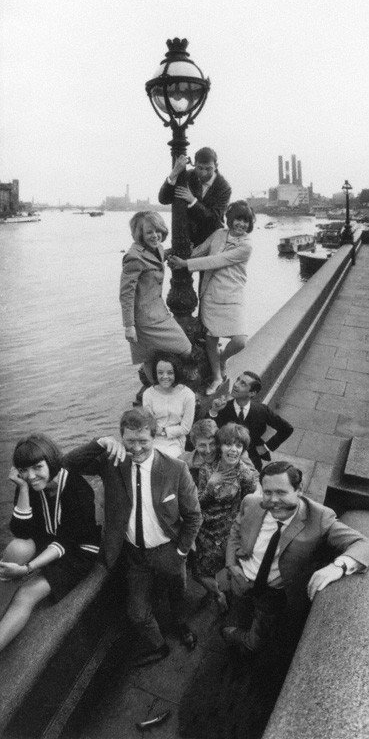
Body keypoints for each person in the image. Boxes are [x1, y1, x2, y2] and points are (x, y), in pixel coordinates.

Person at [63, 408, 203, 667]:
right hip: (133, 555)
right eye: (130, 441)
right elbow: (67, 464)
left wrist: (181, 552)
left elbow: (194, 516)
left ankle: (181, 626)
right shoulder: (112, 462)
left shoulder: (176, 469)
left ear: (154, 437)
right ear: (121, 438)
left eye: (143, 441)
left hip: (168, 550)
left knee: (177, 595)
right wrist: (99, 443)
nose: (136, 448)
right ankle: (159, 646)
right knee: (137, 613)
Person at [220, 460, 369, 655]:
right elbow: (235, 530)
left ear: (299, 490)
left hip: (273, 594)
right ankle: (237, 631)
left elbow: (365, 545)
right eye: (268, 492)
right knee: (241, 611)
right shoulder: (251, 502)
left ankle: (237, 638)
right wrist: (231, 565)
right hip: (240, 580)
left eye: (281, 492)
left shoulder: (319, 519)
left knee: (257, 640)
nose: (273, 500)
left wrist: (337, 567)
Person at [0, 433, 103, 652]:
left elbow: (66, 542)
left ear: (51, 462)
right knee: (18, 547)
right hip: (48, 540)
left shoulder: (76, 488)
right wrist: (23, 489)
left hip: (77, 551)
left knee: (26, 593)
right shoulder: (28, 483)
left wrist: (28, 569)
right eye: (24, 470)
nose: (31, 476)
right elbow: (20, 530)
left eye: (37, 467)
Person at [169, 200, 254, 395]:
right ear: (230, 219)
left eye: (246, 221)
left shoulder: (246, 246)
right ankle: (216, 377)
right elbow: (199, 251)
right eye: (238, 219)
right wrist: (174, 254)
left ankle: (221, 359)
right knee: (211, 337)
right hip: (210, 294)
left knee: (240, 340)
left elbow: (216, 260)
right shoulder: (219, 234)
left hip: (232, 295)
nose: (241, 224)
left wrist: (185, 264)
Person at [119, 210, 191, 384]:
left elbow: (156, 259)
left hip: (159, 313)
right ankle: (158, 392)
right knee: (182, 348)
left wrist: (177, 250)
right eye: (149, 232)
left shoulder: (156, 249)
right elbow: (126, 294)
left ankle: (164, 391)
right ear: (140, 234)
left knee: (151, 356)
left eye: (158, 230)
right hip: (145, 319)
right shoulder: (133, 257)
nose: (155, 235)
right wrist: (129, 326)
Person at [194, 423, 257, 612]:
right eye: (228, 444)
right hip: (206, 530)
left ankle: (219, 595)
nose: (233, 449)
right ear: (220, 447)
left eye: (238, 445)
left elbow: (249, 505)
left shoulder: (245, 474)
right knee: (201, 572)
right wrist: (210, 487)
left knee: (202, 572)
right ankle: (218, 592)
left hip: (226, 534)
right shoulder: (207, 468)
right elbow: (199, 504)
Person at [209, 370, 293, 471]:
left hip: (251, 461)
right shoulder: (223, 407)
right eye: (238, 380)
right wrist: (214, 411)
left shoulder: (261, 410)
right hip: (224, 461)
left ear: (252, 393)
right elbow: (208, 431)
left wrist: (266, 447)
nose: (236, 385)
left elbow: (286, 429)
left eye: (243, 384)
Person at [158, 147, 231, 247]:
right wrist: (174, 173)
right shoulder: (187, 176)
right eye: (200, 168)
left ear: (216, 166)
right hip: (187, 241)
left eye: (208, 169)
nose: (203, 173)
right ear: (194, 164)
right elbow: (163, 199)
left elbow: (214, 218)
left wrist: (192, 201)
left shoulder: (224, 187)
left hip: (213, 241)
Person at [142, 352, 195, 458]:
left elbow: (185, 428)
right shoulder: (148, 394)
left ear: (176, 373)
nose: (165, 377)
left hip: (175, 440)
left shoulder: (188, 394)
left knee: (166, 458)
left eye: (170, 373)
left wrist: (163, 431)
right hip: (153, 439)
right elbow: (149, 422)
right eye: (160, 373)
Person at [180, 418, 219, 487]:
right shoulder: (181, 463)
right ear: (195, 445)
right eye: (202, 445)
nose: (208, 450)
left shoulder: (226, 460)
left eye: (212, 444)